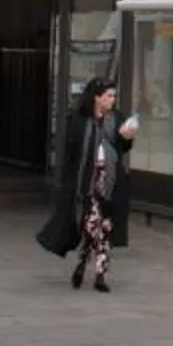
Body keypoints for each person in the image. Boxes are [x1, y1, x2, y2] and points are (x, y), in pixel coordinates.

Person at [38, 79, 136, 293]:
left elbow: (123, 147)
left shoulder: (116, 118)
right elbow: (70, 156)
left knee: (105, 228)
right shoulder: (79, 121)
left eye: (113, 96)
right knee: (93, 227)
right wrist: (65, 184)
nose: (112, 100)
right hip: (87, 183)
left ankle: (100, 275)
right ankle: (83, 264)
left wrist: (127, 138)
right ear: (97, 97)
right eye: (108, 96)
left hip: (110, 182)